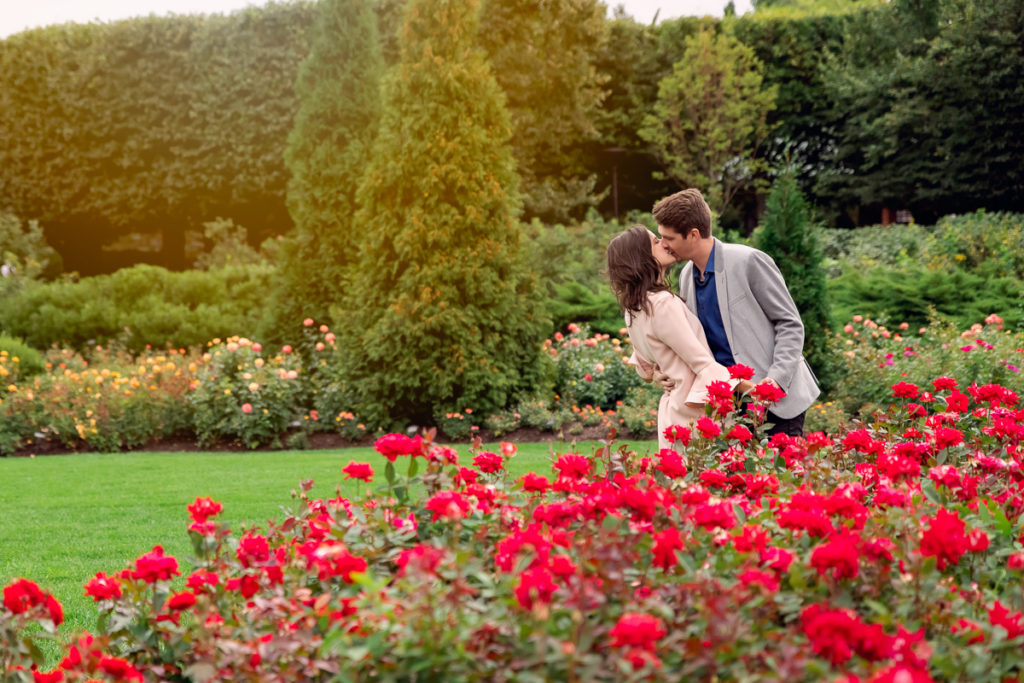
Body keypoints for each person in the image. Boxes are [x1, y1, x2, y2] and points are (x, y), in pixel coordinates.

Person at [651, 188, 819, 436]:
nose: (663, 245)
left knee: (782, 476)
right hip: (729, 405)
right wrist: (662, 373)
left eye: (669, 238)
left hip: (777, 401)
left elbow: (790, 324)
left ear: (693, 235)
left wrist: (775, 381)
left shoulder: (748, 260)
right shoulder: (686, 275)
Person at [606, 225, 752, 452]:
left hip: (672, 416)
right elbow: (702, 364)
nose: (665, 243)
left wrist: (657, 374)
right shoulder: (662, 303)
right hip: (694, 420)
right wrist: (757, 390)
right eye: (655, 242)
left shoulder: (634, 308)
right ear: (641, 256)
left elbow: (644, 368)